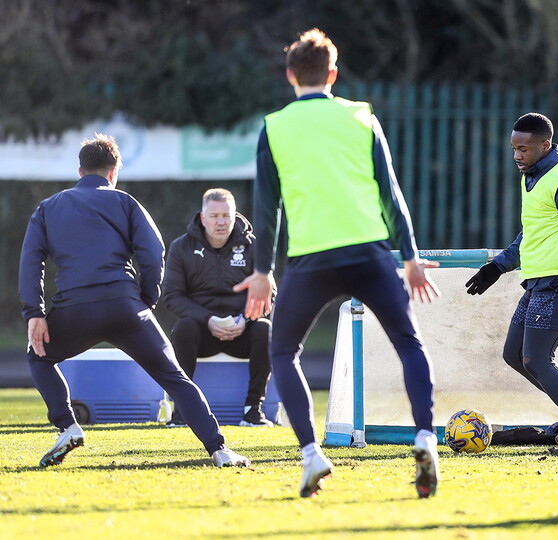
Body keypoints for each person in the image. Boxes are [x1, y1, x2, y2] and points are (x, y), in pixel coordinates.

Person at [234, 29, 441, 498]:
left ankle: (311, 455)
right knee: (408, 341)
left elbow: (268, 209)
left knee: (282, 353)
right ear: (333, 73)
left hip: (311, 260)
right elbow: (391, 194)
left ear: (290, 76)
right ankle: (426, 438)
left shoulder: (275, 126)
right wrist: (409, 256)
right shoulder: (361, 117)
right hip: (368, 252)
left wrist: (263, 272)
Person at [19, 134, 249, 468]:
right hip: (126, 307)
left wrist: (34, 313)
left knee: (38, 357)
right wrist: (145, 299)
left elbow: (31, 262)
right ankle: (219, 449)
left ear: (80, 171)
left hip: (73, 310)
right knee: (175, 378)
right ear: (114, 173)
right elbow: (154, 252)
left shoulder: (47, 208)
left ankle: (68, 426)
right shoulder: (126, 203)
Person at [464, 112, 558, 456]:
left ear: (545, 145)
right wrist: (497, 267)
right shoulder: (531, 177)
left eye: (524, 149)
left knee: (537, 358)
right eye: (514, 148)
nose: (517, 155)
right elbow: (532, 235)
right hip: (539, 282)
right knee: (514, 355)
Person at [162, 188, 274, 428]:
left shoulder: (254, 246)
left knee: (266, 329)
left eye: (226, 215)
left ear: (235, 216)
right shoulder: (181, 247)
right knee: (183, 328)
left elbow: (269, 293)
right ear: (203, 218)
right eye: (214, 216)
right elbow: (172, 296)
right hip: (202, 333)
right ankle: (182, 411)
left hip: (243, 331)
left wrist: (247, 318)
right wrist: (207, 319)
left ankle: (253, 411)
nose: (221, 222)